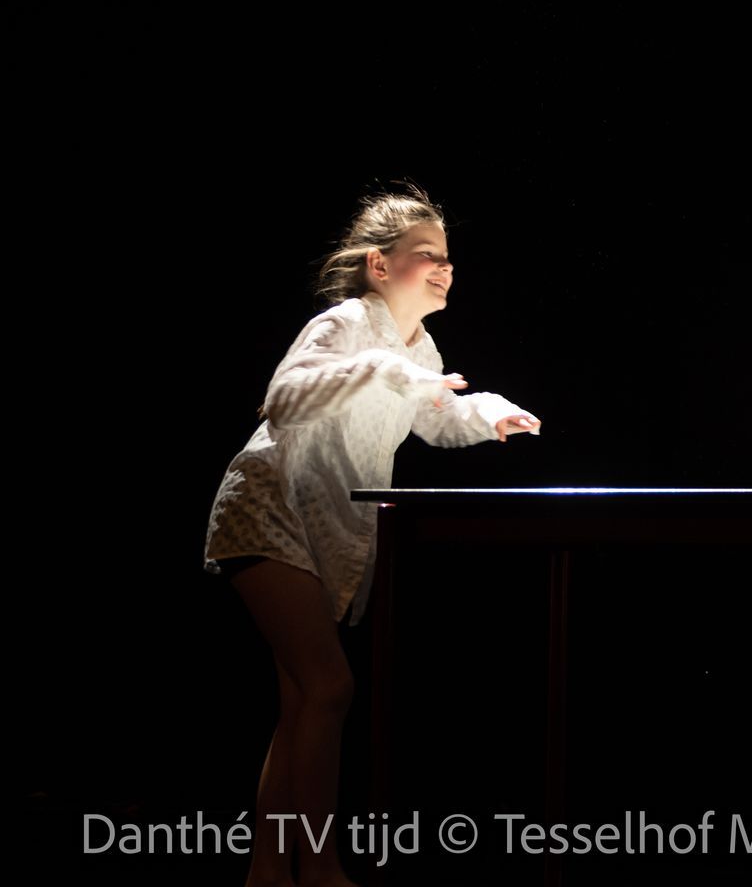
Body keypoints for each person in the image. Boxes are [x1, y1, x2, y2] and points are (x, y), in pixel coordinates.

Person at [204, 187, 540, 887]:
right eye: (427, 254)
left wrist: (488, 415)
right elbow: (283, 398)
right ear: (379, 266)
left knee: (303, 702)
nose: (445, 266)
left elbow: (434, 415)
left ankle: (270, 872)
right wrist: (380, 369)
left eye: (447, 256)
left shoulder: (420, 346)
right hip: (267, 508)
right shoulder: (347, 321)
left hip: (314, 525)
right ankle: (321, 868)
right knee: (329, 687)